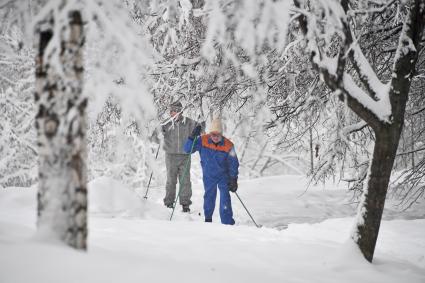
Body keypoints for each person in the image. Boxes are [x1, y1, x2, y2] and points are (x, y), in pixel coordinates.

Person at [184, 118, 239, 225]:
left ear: (221, 134)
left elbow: (233, 163)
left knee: (225, 198)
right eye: (213, 134)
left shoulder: (228, 145)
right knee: (209, 196)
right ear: (210, 134)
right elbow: (187, 150)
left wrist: (233, 178)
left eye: (217, 135)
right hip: (208, 175)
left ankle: (227, 223)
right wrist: (192, 137)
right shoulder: (202, 140)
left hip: (223, 176)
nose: (215, 137)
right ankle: (208, 220)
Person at [155, 101, 201, 212]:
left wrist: (198, 130)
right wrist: (158, 134)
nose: (173, 113)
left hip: (185, 156)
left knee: (185, 180)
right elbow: (154, 138)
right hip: (170, 155)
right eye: (172, 111)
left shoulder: (189, 122)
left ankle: (185, 204)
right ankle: (169, 202)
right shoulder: (165, 123)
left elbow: (201, 128)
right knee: (171, 180)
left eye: (176, 111)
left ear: (181, 112)